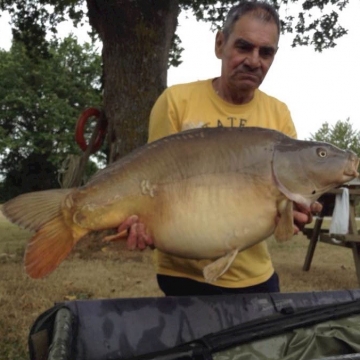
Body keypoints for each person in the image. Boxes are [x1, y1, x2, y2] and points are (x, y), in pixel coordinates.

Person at [125, 0, 321, 296]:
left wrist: (295, 212)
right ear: (220, 44)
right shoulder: (177, 101)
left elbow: (285, 209)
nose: (254, 61)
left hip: (255, 278)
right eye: (244, 47)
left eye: (265, 52)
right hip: (180, 275)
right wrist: (138, 223)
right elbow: (150, 185)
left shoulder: (278, 114)